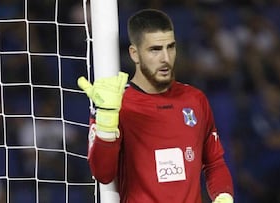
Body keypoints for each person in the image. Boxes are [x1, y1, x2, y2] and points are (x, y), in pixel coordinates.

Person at [78, 9, 234, 203]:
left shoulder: (195, 99)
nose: (166, 58)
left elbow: (214, 163)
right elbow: (103, 174)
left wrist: (224, 195)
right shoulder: (115, 103)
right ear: (134, 54)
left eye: (170, 47)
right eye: (155, 50)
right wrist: (107, 120)